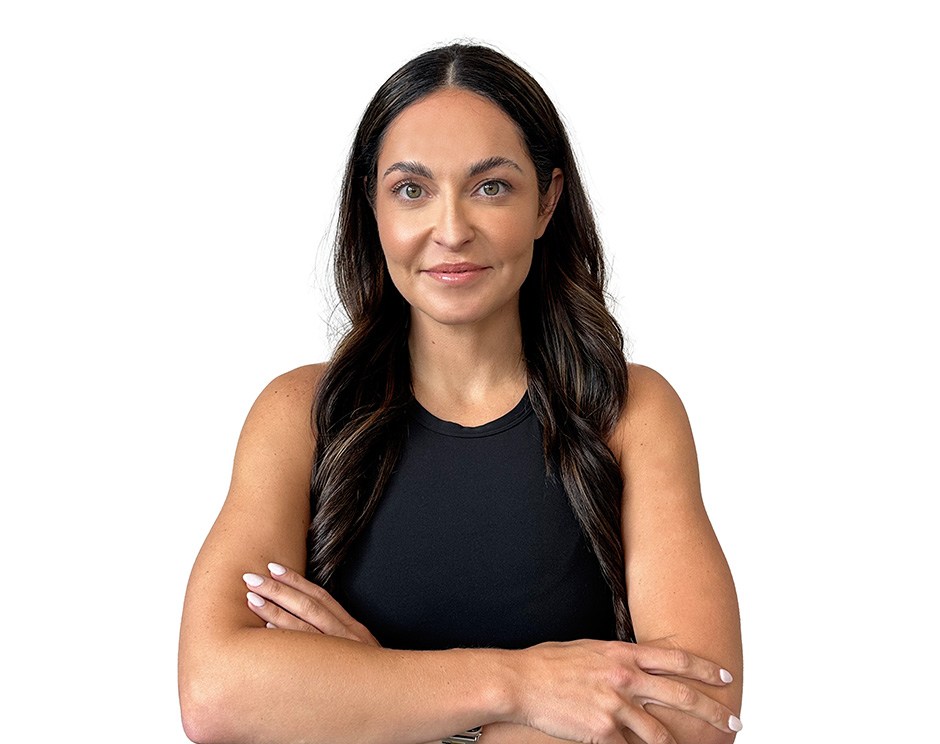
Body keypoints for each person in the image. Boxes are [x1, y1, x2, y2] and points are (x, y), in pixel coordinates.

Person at [178, 42, 743, 744]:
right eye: (411, 190)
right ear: (373, 205)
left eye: (491, 187)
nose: (451, 231)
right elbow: (215, 694)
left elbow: (696, 717)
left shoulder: (629, 412)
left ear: (547, 201)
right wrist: (521, 686)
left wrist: (369, 696)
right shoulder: (301, 415)